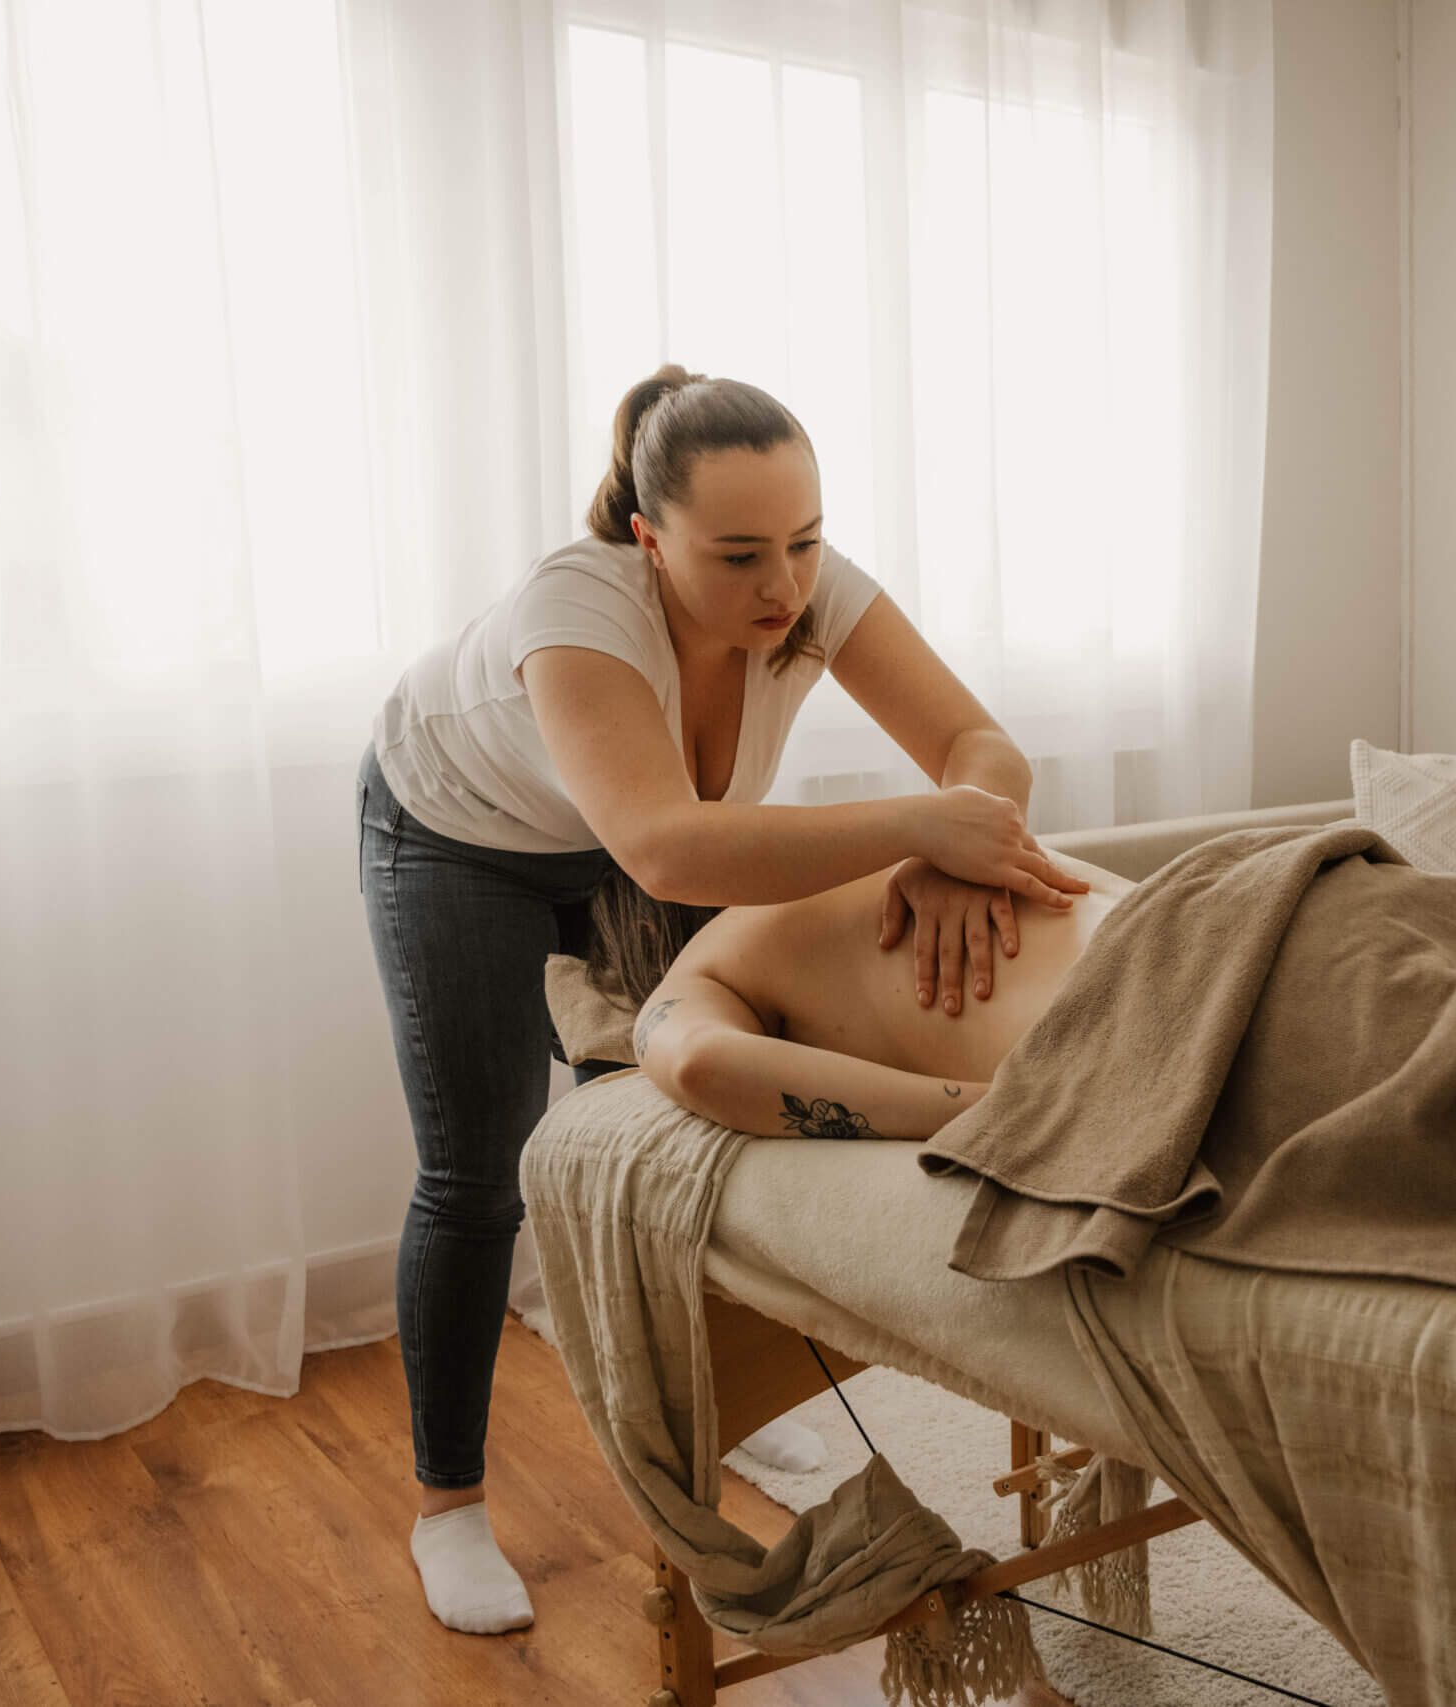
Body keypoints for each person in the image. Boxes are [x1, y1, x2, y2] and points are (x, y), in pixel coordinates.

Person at [356, 365, 1089, 1636]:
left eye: (805, 543)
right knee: (478, 1175)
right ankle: (448, 1506)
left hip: (636, 836)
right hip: (456, 839)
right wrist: (926, 826)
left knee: (674, 1139)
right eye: (741, 555)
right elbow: (669, 849)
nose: (785, 588)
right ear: (648, 539)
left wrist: (949, 843)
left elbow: (986, 753)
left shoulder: (807, 585)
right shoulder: (575, 609)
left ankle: (709, 1403)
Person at [613, 848, 1134, 1139]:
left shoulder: (702, 966)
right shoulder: (881, 841)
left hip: (1126, 1019)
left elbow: (697, 1065)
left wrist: (1006, 1105)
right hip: (1181, 904)